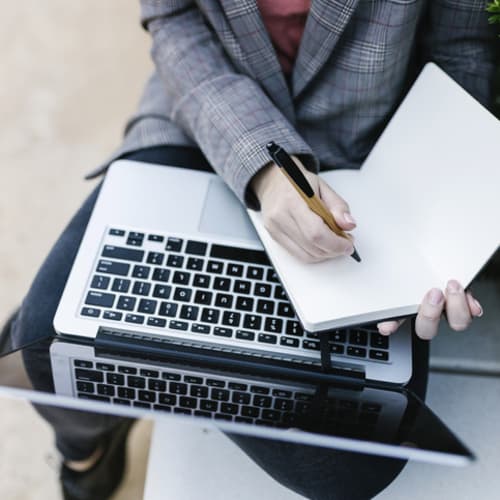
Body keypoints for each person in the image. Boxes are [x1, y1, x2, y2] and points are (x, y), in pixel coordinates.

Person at [5, 1, 497, 499]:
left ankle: (122, 374)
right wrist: (259, 164)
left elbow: (462, 52)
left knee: (346, 465)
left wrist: (446, 225)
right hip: (202, 118)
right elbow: (174, 21)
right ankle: (87, 441)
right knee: (45, 345)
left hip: (369, 171)